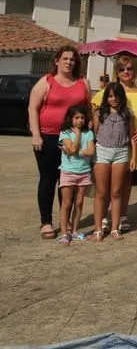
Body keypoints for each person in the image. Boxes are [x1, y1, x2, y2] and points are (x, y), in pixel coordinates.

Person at [28, 46, 92, 240]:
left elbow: (88, 110)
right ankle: (46, 221)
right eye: (64, 58)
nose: (68, 62)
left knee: (70, 181)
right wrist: (36, 135)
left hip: (76, 140)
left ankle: (67, 222)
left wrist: (89, 133)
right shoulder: (45, 82)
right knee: (49, 179)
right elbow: (33, 108)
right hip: (48, 137)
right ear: (56, 61)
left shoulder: (83, 83)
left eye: (72, 59)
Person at [91, 55, 137, 234]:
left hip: (133, 143)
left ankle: (122, 216)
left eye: (129, 69)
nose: (126, 72)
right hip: (109, 144)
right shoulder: (108, 91)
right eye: (122, 69)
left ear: (135, 71)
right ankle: (103, 217)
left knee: (126, 182)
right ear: (116, 73)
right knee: (105, 184)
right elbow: (95, 109)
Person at [91, 82, 136, 242]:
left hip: (121, 153)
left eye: (116, 96)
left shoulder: (127, 114)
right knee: (101, 191)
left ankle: (115, 228)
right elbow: (93, 134)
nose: (113, 99)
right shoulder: (99, 113)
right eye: (110, 96)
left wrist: (134, 157)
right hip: (102, 152)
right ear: (106, 97)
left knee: (116, 192)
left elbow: (132, 137)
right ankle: (98, 228)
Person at [57, 105, 95, 245]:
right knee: (66, 203)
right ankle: (63, 233)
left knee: (79, 203)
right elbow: (72, 148)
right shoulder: (65, 133)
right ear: (71, 119)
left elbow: (91, 151)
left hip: (84, 172)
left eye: (82, 118)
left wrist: (76, 151)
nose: (80, 121)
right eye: (77, 118)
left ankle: (74, 230)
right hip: (68, 172)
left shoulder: (89, 133)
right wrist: (78, 135)